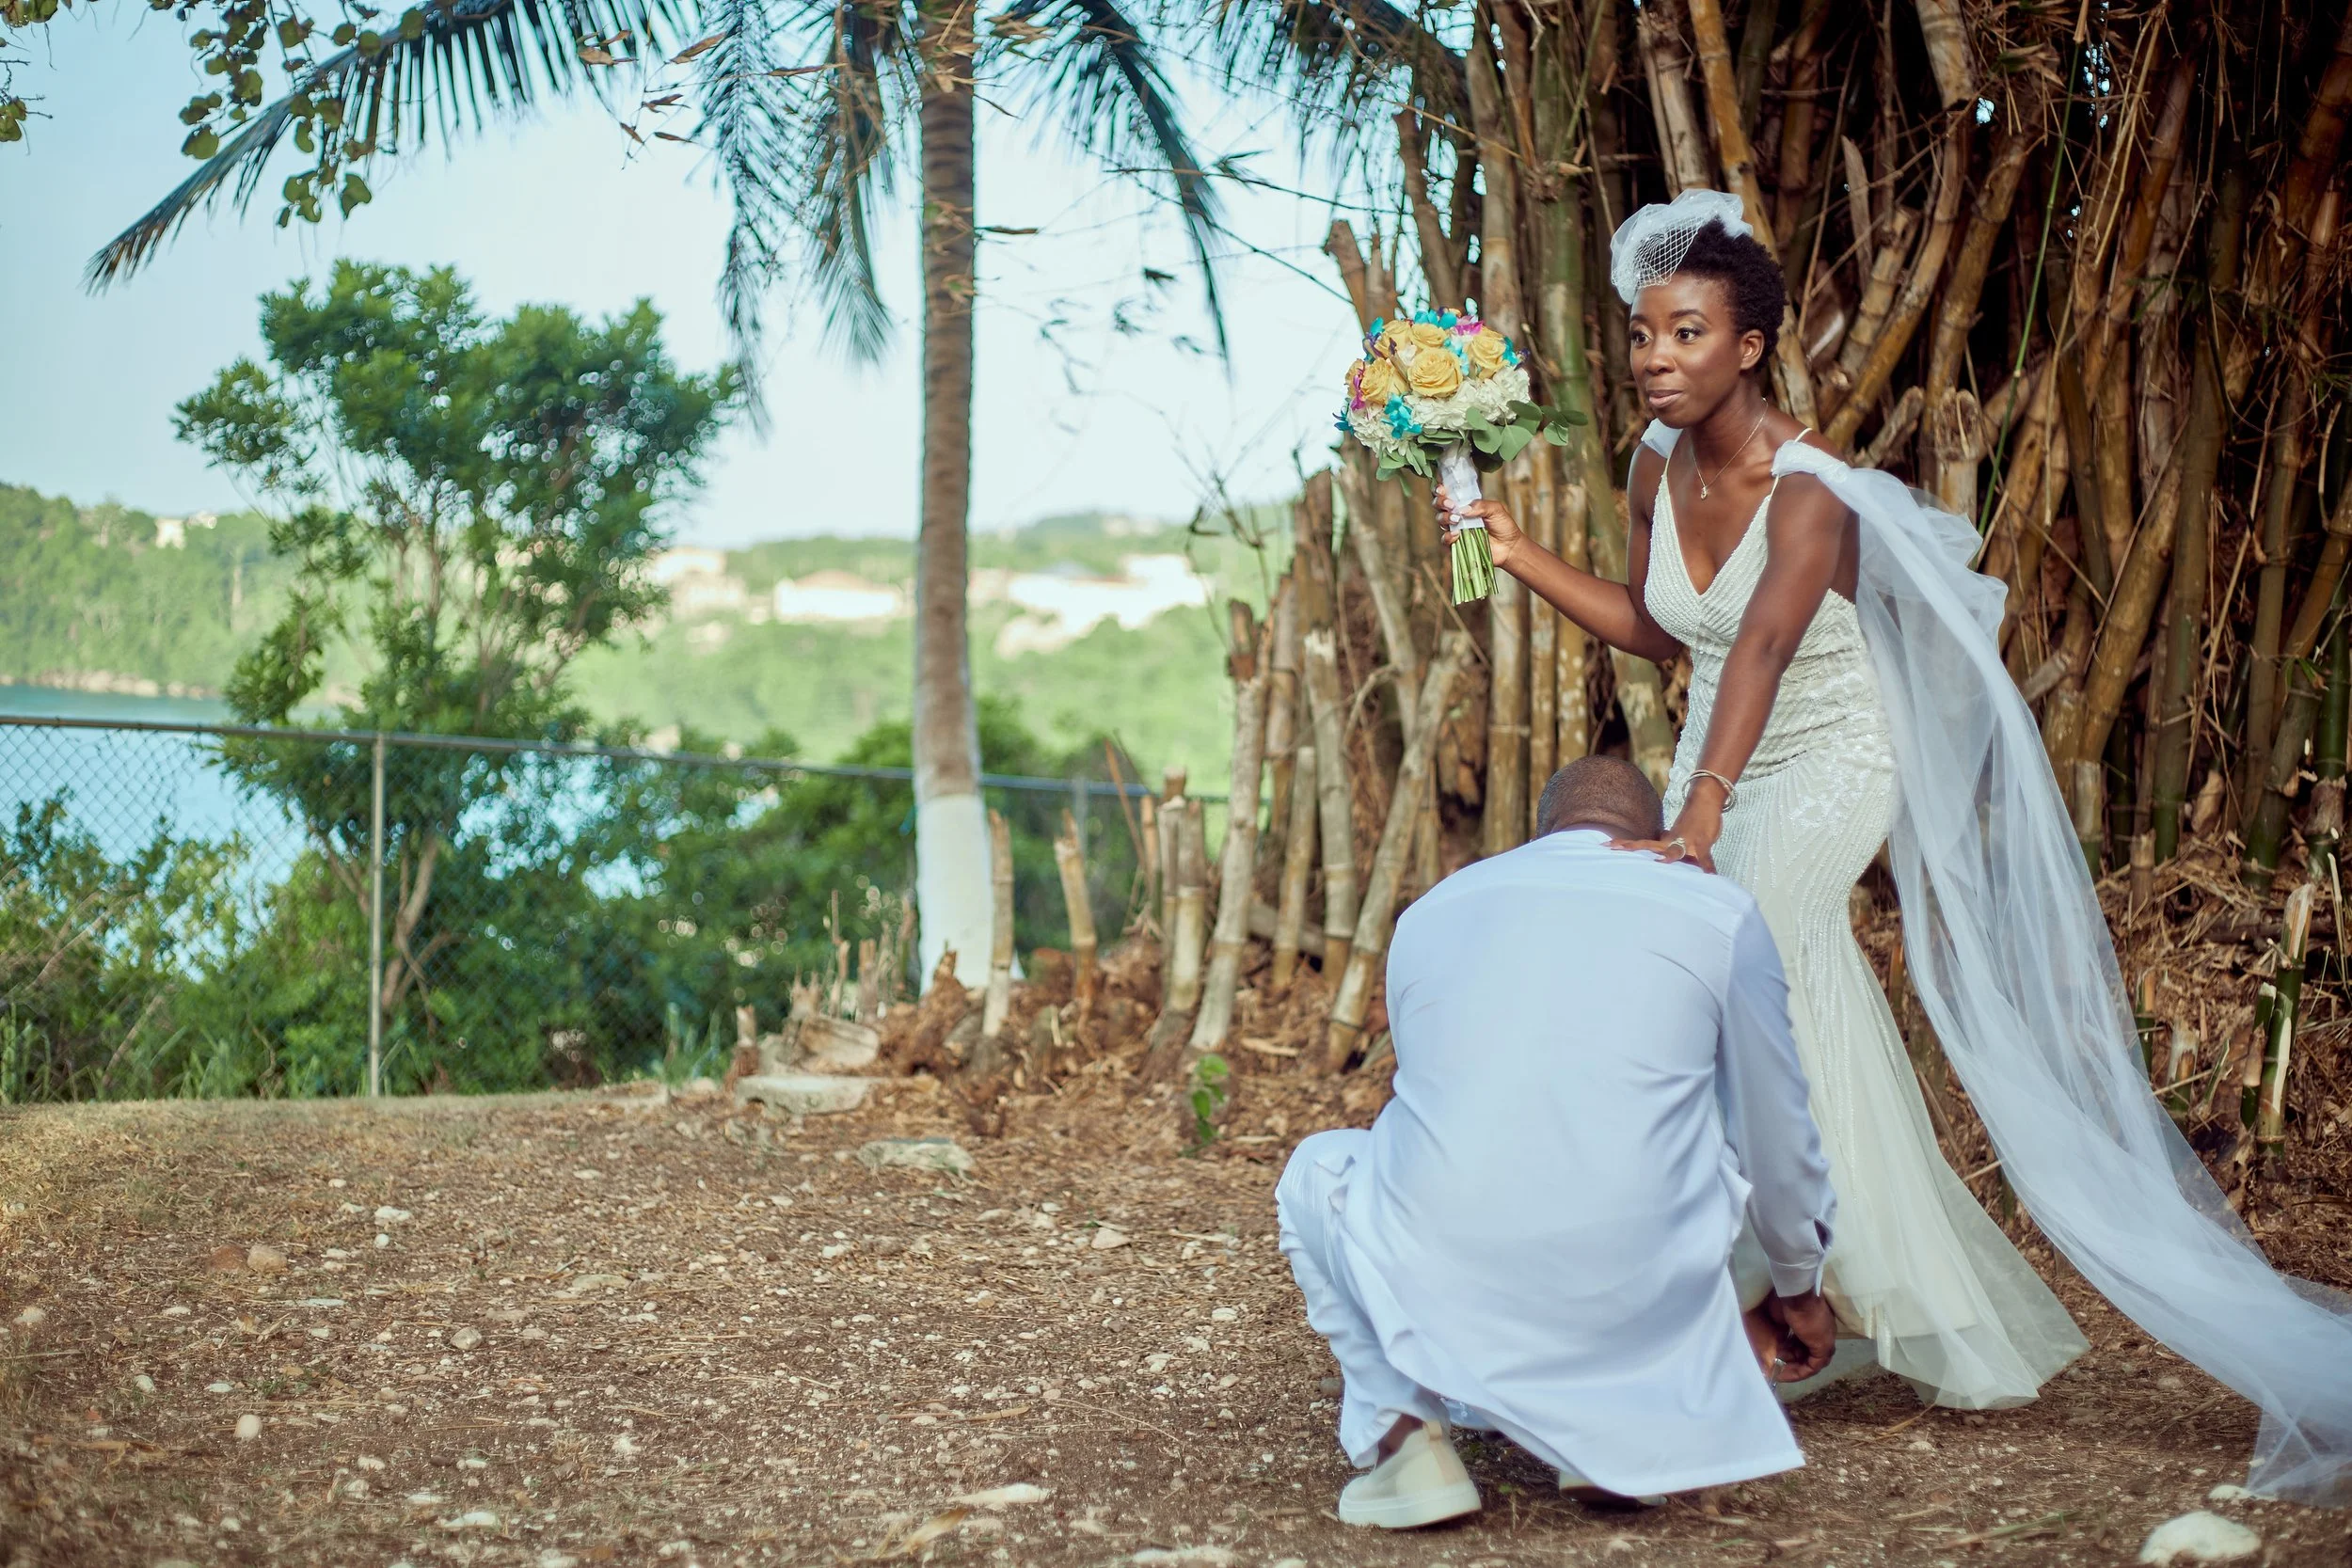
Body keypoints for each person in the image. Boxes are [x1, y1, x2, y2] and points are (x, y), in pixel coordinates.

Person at [1436, 188, 2352, 1501]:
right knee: (1764, 993)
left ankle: (1806, 1289)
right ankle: (1825, 1283)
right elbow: (1661, 629)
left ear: (1748, 345)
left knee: (1763, 944)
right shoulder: (1652, 462)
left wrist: (1699, 814)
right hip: (1725, 754)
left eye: (1684, 333)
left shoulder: (1814, 490)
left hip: (1826, 753)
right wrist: (1515, 550)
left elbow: (1756, 650)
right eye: (1642, 334)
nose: (1653, 358)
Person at [1277, 756, 1840, 1528]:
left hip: (1453, 1256)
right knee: (1690, 1140)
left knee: (1320, 1166)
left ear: (1540, 834)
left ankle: (1407, 1446)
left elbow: (1435, 1103)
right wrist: (1800, 1283)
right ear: (1653, 837)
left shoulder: (1436, 909)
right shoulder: (1716, 910)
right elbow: (1776, 1132)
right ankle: (1620, 1428)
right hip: (1638, 1267)